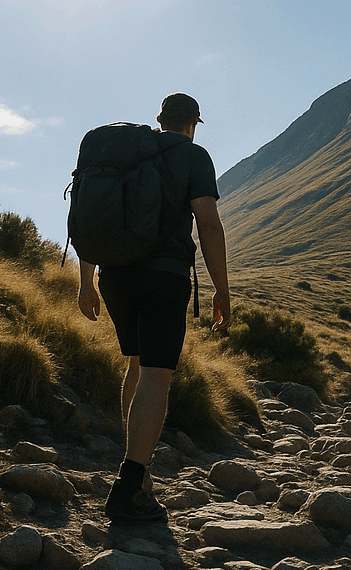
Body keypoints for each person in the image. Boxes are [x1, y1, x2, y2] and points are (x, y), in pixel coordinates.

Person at [77, 93, 231, 523]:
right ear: (193, 123)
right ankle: (130, 487)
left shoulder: (124, 157)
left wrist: (85, 281)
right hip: (163, 277)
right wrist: (222, 288)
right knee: (157, 377)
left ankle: (136, 475)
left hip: (114, 275)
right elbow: (209, 224)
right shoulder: (194, 156)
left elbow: (98, 219)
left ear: (159, 119)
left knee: (136, 365)